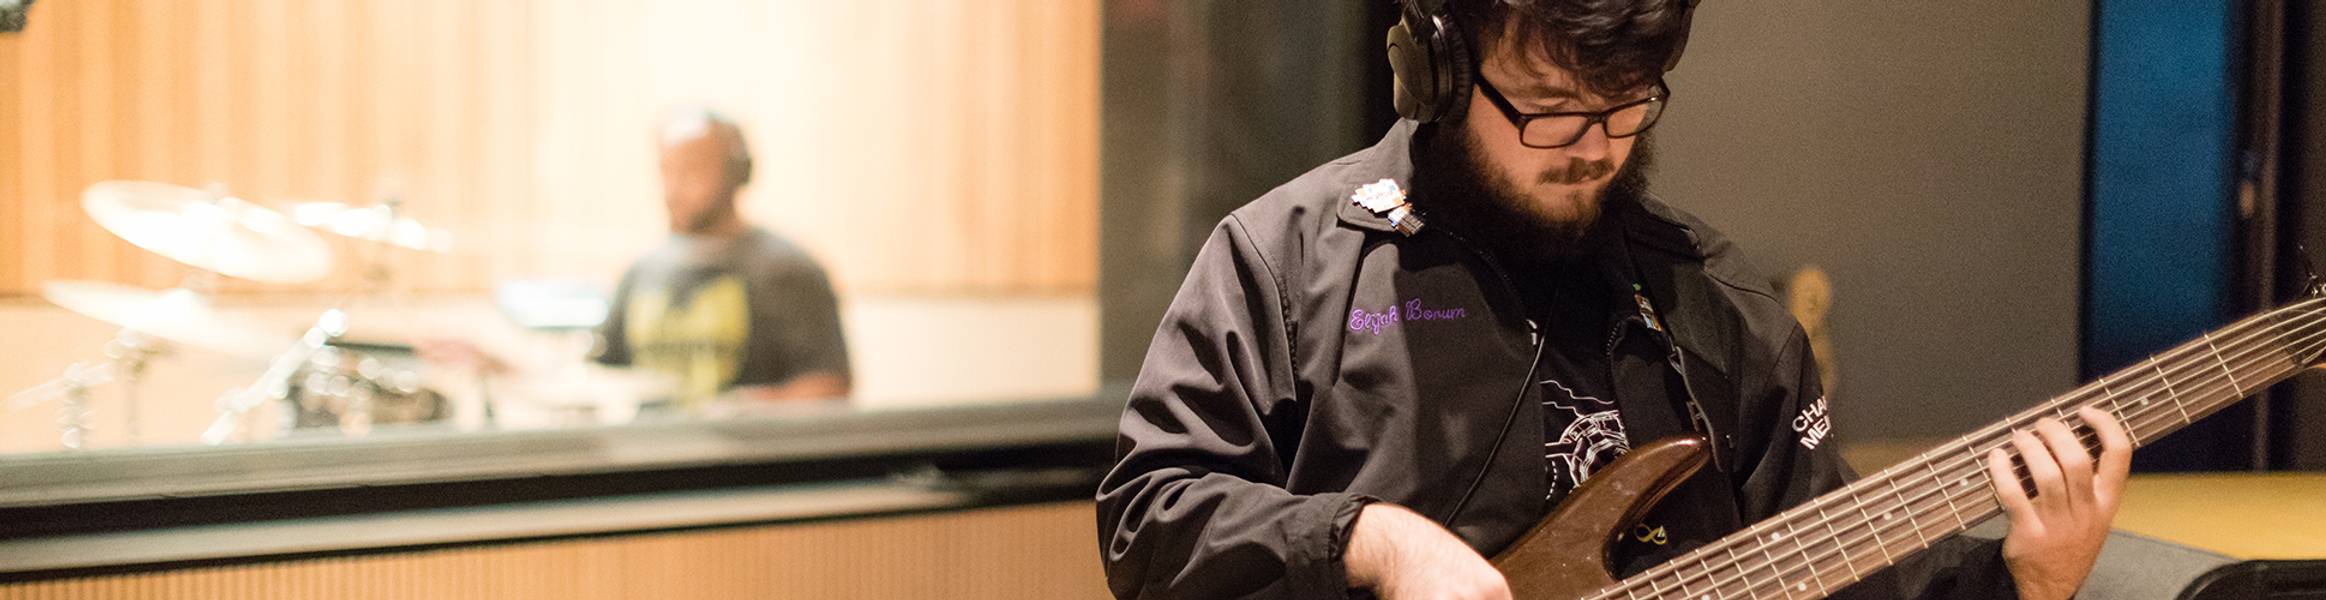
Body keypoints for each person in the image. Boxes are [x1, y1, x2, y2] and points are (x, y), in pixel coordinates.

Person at [1092, 2, 2129, 599]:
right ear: (1440, 75)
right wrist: (1374, 540)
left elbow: (1832, 567)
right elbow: (1151, 521)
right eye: (1547, 109)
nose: (1592, 147)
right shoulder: (1289, 262)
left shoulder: (1714, 306)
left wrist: (2026, 583)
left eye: (1625, 105)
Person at [587, 108, 852, 408]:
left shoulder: (788, 271)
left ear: (737, 173)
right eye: (666, 170)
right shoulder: (640, 273)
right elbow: (601, 370)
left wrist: (754, 409)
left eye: (692, 170)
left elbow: (832, 385)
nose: (674, 187)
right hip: (654, 452)